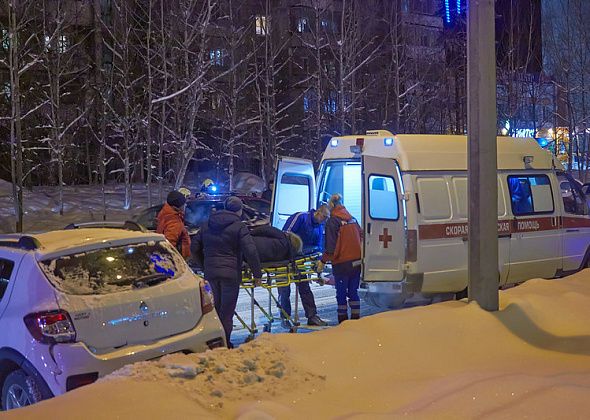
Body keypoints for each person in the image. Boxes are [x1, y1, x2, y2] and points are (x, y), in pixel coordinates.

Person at [192, 196, 262, 347]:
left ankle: (214, 343)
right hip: (231, 274)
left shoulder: (206, 224)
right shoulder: (239, 226)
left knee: (214, 311)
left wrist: (204, 265)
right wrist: (257, 274)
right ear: (239, 211)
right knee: (227, 313)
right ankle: (225, 344)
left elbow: (194, 248)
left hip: (211, 273)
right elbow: (250, 251)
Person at [279, 206, 330, 327]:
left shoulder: (319, 226)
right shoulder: (300, 217)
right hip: (286, 259)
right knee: (284, 290)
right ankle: (285, 317)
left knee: (305, 288)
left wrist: (318, 267)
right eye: (324, 218)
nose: (325, 221)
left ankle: (312, 316)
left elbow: (318, 247)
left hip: (301, 261)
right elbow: (285, 234)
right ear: (318, 213)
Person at [318, 194, 362, 324]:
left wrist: (323, 261)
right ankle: (356, 320)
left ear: (331, 205)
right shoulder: (352, 219)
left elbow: (330, 247)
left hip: (342, 264)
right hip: (357, 262)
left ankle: (343, 324)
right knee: (354, 292)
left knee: (341, 294)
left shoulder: (333, 221)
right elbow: (361, 235)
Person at [156, 190, 191, 258]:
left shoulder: (165, 213)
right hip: (178, 256)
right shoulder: (174, 220)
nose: (185, 205)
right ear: (179, 205)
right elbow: (170, 243)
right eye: (184, 204)